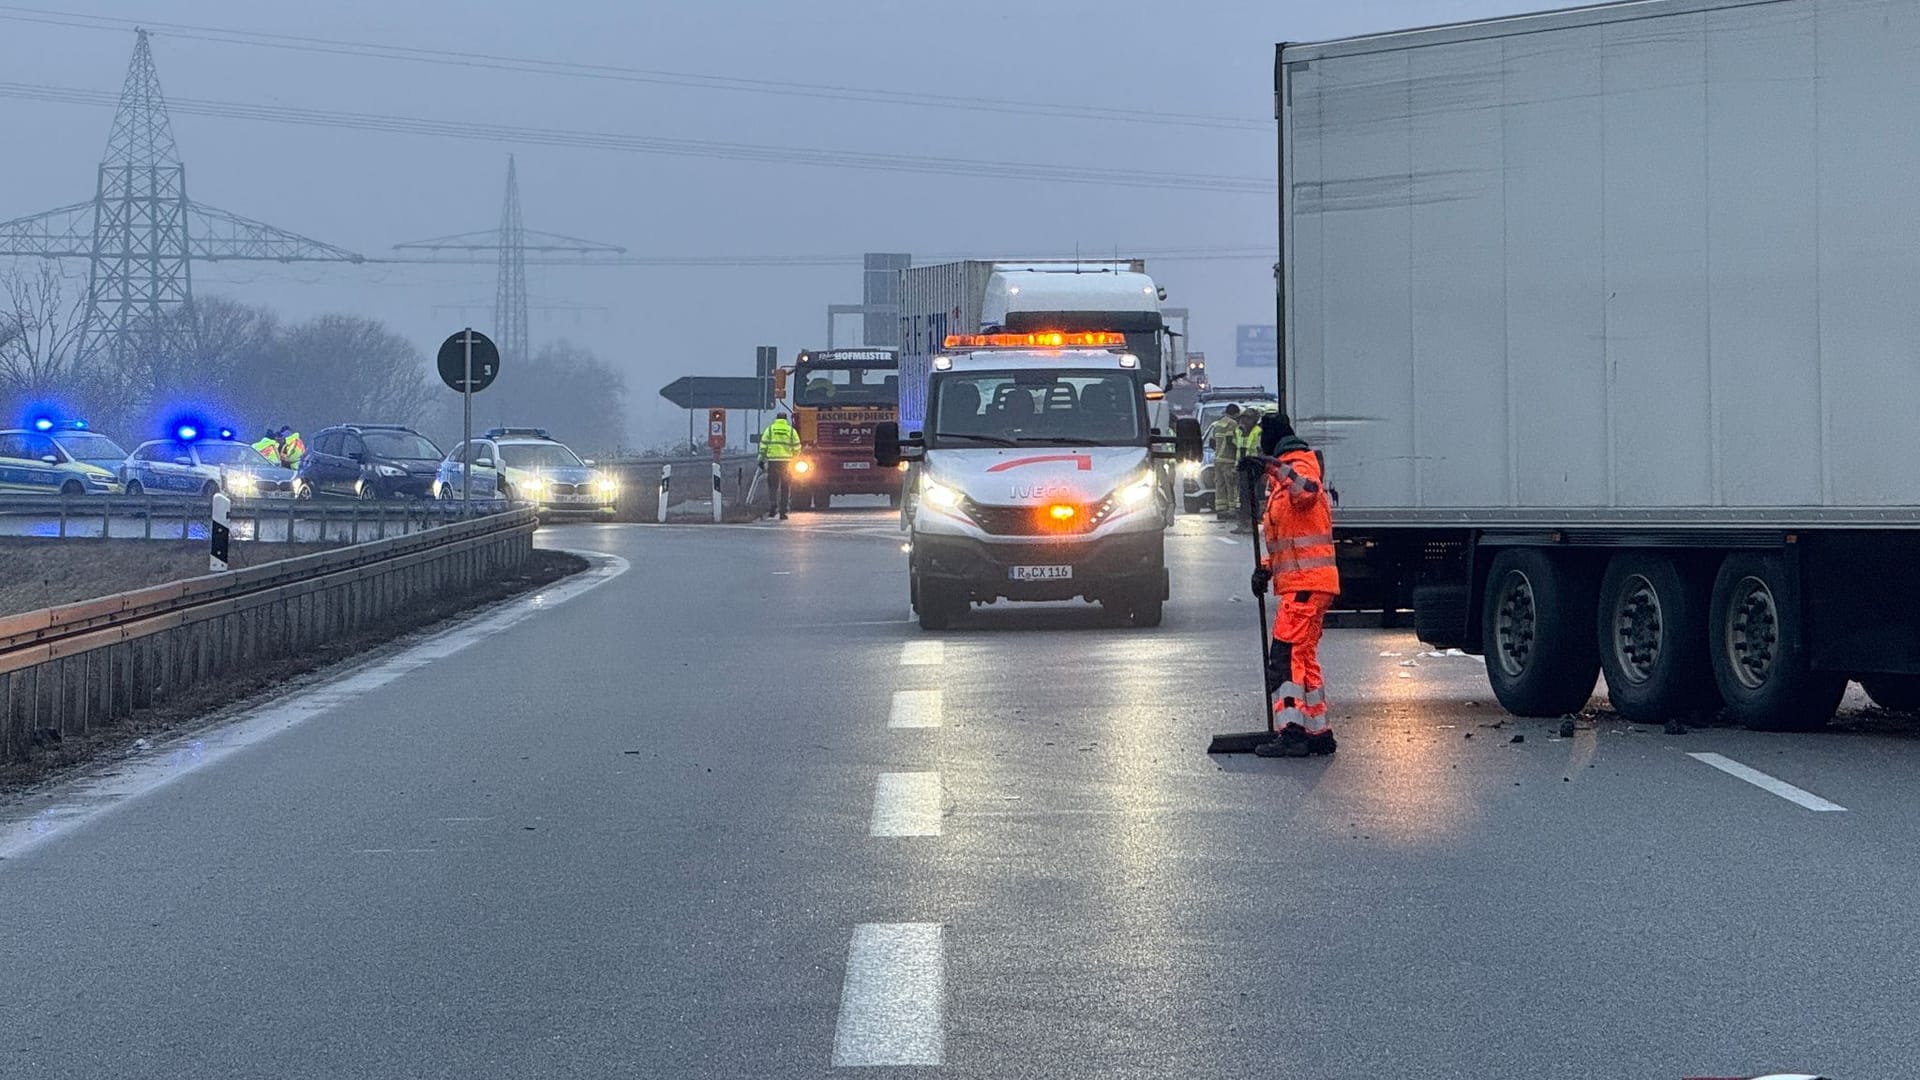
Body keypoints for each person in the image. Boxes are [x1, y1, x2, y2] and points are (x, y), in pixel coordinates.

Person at [1247, 412, 1340, 758]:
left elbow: (1307, 492)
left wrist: (1272, 466)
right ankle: (1318, 732)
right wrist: (1265, 569)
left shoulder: (1300, 464)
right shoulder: (1281, 479)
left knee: (1284, 656)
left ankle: (1291, 731)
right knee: (1303, 655)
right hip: (1305, 582)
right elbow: (1290, 536)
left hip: (1307, 584)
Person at [758, 412, 801, 519]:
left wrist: (761, 459)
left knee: (773, 486)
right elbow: (797, 447)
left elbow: (763, 446)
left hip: (773, 461)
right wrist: (794, 458)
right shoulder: (791, 431)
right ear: (786, 419)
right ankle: (783, 511)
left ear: (776, 419)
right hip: (787, 463)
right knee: (785, 487)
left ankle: (773, 506)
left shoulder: (770, 430)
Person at [1230, 408, 1264, 534]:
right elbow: (1238, 450)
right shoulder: (1239, 432)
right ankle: (1243, 523)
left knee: (1252, 496)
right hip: (1242, 469)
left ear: (1255, 420)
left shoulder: (1258, 432)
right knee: (1243, 497)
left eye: (1248, 418)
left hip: (1254, 469)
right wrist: (1236, 467)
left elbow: (1260, 451)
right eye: (1243, 418)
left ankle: (1251, 523)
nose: (1244, 420)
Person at [1206, 404, 1242, 521]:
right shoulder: (1232, 424)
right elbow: (1231, 441)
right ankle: (1231, 510)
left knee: (1219, 485)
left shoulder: (1218, 424)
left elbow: (1212, 442)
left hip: (1218, 460)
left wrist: (1218, 452)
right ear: (1235, 414)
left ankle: (1221, 509)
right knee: (1231, 485)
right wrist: (1239, 450)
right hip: (1228, 460)